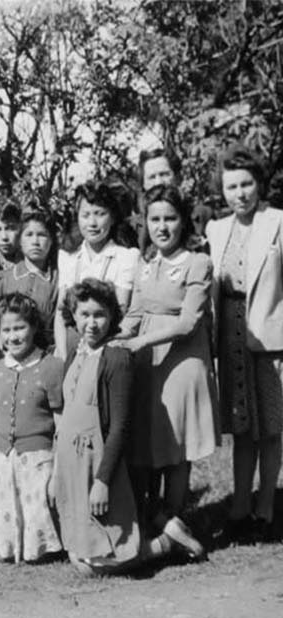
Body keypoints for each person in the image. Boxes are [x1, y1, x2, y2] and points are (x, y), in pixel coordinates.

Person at [51, 279, 182, 576]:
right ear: (73, 315)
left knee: (93, 567)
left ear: (112, 316)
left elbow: (120, 425)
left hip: (101, 464)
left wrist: (102, 482)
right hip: (74, 462)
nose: (92, 323)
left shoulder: (117, 358)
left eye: (100, 314)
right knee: (77, 555)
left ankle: (164, 543)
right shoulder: (76, 354)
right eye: (84, 314)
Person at [114, 185, 217, 557]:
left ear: (183, 221)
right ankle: (155, 519)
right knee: (145, 442)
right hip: (147, 363)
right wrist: (112, 337)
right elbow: (136, 314)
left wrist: (141, 342)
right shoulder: (147, 263)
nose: (162, 227)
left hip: (180, 361)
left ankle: (175, 517)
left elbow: (189, 322)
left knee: (175, 446)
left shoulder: (197, 262)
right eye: (155, 219)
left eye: (170, 218)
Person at [207, 144, 283, 543]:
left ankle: (266, 508)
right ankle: (239, 507)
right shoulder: (216, 229)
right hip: (231, 337)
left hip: (270, 341)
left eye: (247, 184)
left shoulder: (278, 222)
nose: (240, 193)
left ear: (259, 184)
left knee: (270, 429)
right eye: (232, 186)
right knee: (241, 428)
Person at [0, 294, 64, 563]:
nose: (13, 337)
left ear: (34, 328)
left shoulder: (51, 367)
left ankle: (39, 549)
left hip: (38, 459)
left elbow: (60, 424)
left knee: (37, 511)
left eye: (20, 328)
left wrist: (57, 473)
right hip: (3, 458)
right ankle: (8, 547)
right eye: (7, 330)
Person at [54, 181, 140, 360]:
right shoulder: (68, 257)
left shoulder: (126, 257)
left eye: (100, 214)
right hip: (71, 348)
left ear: (113, 217)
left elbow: (121, 312)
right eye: (85, 215)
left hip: (109, 347)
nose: (92, 223)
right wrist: (63, 357)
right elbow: (60, 314)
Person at [0, 211, 58, 350]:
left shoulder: (58, 280)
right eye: (29, 235)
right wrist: (4, 357)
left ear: (51, 240)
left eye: (42, 235)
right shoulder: (3, 278)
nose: (35, 242)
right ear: (20, 241)